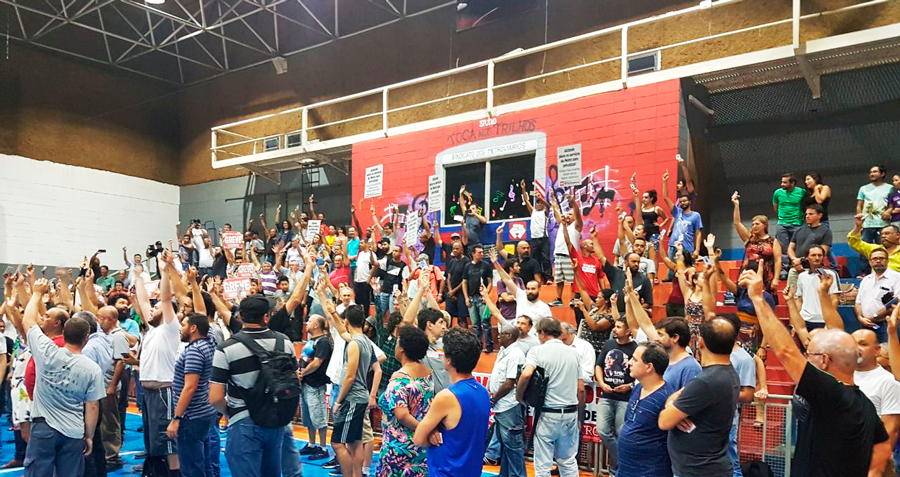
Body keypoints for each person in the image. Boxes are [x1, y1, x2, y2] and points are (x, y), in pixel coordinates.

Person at [740, 266, 891, 477]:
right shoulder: (863, 404)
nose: (806, 358)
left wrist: (758, 298)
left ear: (825, 361)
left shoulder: (833, 394)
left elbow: (786, 352)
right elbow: (883, 446)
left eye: (810, 354)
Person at [12, 279, 104, 477]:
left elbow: (28, 322)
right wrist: (89, 436)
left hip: (44, 428)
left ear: (64, 332)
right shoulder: (93, 369)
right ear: (86, 338)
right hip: (73, 431)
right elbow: (92, 406)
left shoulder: (47, 352)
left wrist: (37, 293)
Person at [210, 295, 297, 477]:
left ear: (240, 316)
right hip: (276, 419)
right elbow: (294, 380)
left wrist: (231, 413)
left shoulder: (227, 348)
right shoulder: (285, 342)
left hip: (243, 419)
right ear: (266, 316)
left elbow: (215, 397)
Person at [658, 317, 740, 477]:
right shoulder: (729, 373)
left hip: (697, 469)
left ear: (700, 342)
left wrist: (672, 404)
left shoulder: (705, 381)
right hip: (708, 466)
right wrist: (674, 404)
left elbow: (664, 421)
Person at [413, 328, 490, 476]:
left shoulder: (446, 397)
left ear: (448, 360)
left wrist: (431, 433)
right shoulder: (483, 392)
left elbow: (418, 439)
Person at [517, 318, 584, 477]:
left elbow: (526, 374)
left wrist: (519, 396)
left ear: (542, 333)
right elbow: (581, 389)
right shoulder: (574, 353)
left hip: (548, 412)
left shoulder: (536, 351)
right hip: (570, 412)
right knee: (568, 461)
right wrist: (579, 417)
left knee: (543, 465)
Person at [133, 259, 181, 474]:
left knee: (168, 439)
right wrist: (138, 276)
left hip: (165, 391)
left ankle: (175, 473)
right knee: (153, 439)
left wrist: (164, 272)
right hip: (149, 393)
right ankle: (157, 470)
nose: (151, 309)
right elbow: (143, 300)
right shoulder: (152, 330)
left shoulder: (170, 328)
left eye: (156, 307)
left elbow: (166, 298)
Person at [374, 325, 433, 477]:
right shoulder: (427, 372)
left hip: (400, 448)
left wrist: (423, 429)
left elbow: (402, 415)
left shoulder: (399, 379)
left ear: (402, 348)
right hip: (422, 447)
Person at [167, 312, 218, 477]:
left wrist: (176, 418)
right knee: (205, 463)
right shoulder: (210, 343)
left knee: (191, 467)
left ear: (193, 328)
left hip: (191, 415)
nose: (180, 329)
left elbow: (190, 387)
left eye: (183, 325)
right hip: (206, 410)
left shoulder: (194, 351)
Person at [326, 304, 373, 477]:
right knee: (355, 442)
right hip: (360, 396)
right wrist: (333, 312)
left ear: (347, 321)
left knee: (337, 443)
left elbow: (350, 376)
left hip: (353, 398)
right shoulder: (364, 341)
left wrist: (338, 401)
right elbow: (341, 331)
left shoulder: (354, 344)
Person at [616, 342, 674, 477]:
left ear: (649, 367)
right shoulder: (637, 389)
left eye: (635, 360)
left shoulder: (666, 398)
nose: (629, 363)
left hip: (650, 471)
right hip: (625, 469)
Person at [595, 319, 637, 474]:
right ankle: (624, 463)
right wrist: (601, 382)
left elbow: (640, 374)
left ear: (628, 331)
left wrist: (630, 385)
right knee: (602, 430)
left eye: (619, 327)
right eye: (615, 326)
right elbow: (598, 366)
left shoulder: (635, 348)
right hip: (606, 395)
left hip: (625, 398)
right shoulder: (609, 344)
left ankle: (616, 469)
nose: (614, 329)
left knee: (621, 433)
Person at [852, 328, 900, 457]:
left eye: (863, 344)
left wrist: (877, 462)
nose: (856, 348)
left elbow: (891, 429)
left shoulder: (888, 381)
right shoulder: (840, 376)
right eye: (852, 344)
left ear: (877, 350)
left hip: (870, 455)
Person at [488, 325, 527, 477]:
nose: (498, 336)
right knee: (505, 447)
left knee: (513, 448)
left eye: (502, 333)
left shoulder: (515, 354)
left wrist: (493, 399)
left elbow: (509, 384)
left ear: (510, 336)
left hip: (508, 406)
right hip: (501, 406)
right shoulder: (504, 351)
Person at [489, 248, 553, 329]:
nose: (529, 291)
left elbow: (549, 328)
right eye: (528, 289)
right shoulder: (521, 297)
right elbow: (507, 280)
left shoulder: (544, 308)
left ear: (539, 289)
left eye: (533, 289)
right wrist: (496, 263)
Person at [297, 315, 332, 462]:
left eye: (310, 321)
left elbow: (317, 362)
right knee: (308, 417)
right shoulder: (311, 341)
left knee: (319, 416)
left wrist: (303, 373)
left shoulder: (323, 341)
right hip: (305, 382)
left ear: (317, 325)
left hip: (315, 383)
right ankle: (311, 444)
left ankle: (323, 447)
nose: (307, 323)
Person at [732, 191, 781, 294]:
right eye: (753, 224)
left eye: (757, 224)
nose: (754, 226)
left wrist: (776, 278)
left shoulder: (773, 241)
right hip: (748, 274)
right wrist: (736, 205)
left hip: (766, 276)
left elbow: (778, 261)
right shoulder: (749, 238)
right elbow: (737, 223)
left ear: (764, 225)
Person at [855, 248, 900, 342]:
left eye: (881, 258)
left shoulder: (896, 277)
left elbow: (896, 303)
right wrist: (860, 317)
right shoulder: (866, 280)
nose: (878, 261)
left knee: (886, 350)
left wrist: (874, 317)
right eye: (875, 259)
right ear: (870, 262)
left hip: (886, 324)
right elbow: (858, 303)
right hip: (865, 324)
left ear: (887, 261)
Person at [662, 169, 703, 270]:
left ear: (690, 202)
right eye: (680, 201)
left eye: (685, 201)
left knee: (688, 271)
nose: (682, 203)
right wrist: (664, 182)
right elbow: (665, 197)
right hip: (673, 246)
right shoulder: (677, 212)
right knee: (672, 272)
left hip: (687, 248)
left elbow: (698, 234)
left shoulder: (696, 215)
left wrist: (697, 250)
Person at [794, 245, 841, 331]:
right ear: (807, 257)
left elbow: (834, 299)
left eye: (820, 255)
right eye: (813, 255)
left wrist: (829, 321)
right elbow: (799, 299)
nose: (817, 258)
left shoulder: (831, 275)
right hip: (805, 320)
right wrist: (798, 321)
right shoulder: (802, 276)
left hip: (824, 321)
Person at [549, 192, 583, 307]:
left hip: (569, 256)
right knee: (559, 280)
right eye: (567, 213)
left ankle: (574, 299)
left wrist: (573, 202)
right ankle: (559, 299)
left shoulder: (577, 226)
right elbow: (555, 208)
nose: (568, 216)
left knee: (572, 280)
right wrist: (552, 197)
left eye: (570, 214)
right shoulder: (562, 224)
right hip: (558, 255)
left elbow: (578, 213)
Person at [858, 165, 894, 273]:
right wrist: (859, 221)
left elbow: (893, 204)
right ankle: (865, 272)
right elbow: (859, 205)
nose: (872, 174)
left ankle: (885, 270)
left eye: (875, 172)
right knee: (864, 248)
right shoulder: (863, 188)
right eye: (870, 172)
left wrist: (889, 211)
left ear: (882, 174)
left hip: (883, 224)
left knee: (884, 249)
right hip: (867, 224)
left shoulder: (890, 188)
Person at [787, 204, 833, 288]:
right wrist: (795, 260)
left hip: (813, 270)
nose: (807, 216)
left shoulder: (826, 232)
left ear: (819, 215)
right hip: (795, 269)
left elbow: (823, 252)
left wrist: (800, 260)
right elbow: (790, 248)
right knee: (792, 294)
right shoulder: (799, 230)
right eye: (806, 214)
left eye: (811, 214)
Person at [772, 173, 807, 278]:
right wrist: (783, 217)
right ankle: (784, 270)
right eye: (782, 182)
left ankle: (797, 267)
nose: (782, 184)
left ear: (792, 183)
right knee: (783, 248)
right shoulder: (778, 193)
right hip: (782, 224)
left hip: (797, 223)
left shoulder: (801, 192)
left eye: (784, 182)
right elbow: (775, 207)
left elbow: (806, 205)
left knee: (797, 247)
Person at [654, 317, 702, 390]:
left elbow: (689, 395)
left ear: (675, 338)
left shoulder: (691, 367)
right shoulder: (662, 361)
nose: (656, 339)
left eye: (660, 335)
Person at [461, 245, 493, 353]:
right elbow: (464, 282)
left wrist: (486, 295)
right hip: (471, 298)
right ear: (473, 254)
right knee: (475, 324)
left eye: (482, 252)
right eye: (479, 253)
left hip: (482, 298)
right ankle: (478, 345)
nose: (482, 254)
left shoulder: (486, 265)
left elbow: (490, 282)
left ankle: (489, 345)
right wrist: (466, 297)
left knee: (486, 323)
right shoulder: (467, 266)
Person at [520, 179, 551, 282]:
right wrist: (523, 188)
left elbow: (548, 206)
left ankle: (548, 277)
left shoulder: (545, 212)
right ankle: (538, 278)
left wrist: (541, 198)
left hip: (544, 238)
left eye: (540, 203)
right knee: (535, 260)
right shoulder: (533, 211)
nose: (539, 204)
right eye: (537, 203)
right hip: (534, 239)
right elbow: (526, 200)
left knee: (545, 259)